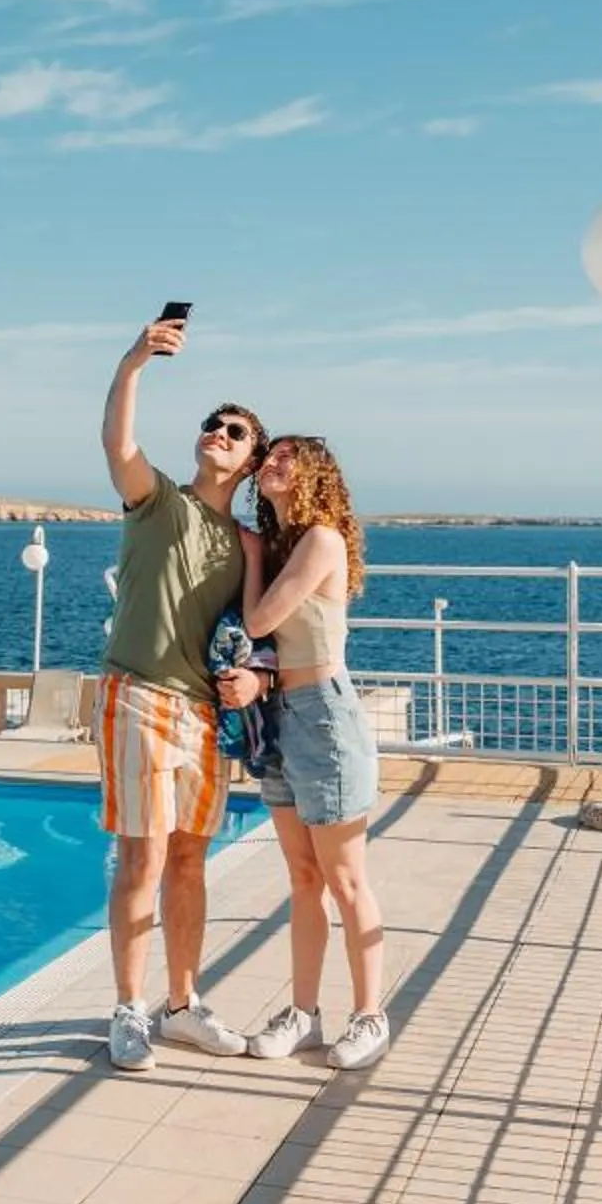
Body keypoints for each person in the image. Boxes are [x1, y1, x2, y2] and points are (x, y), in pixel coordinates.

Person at [97, 318, 266, 1070]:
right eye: (212, 424)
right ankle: (128, 1010)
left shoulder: (250, 545)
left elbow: (264, 625)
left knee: (192, 862)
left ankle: (181, 1005)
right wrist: (135, 360)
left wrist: (256, 675)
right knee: (142, 858)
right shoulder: (157, 500)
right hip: (137, 693)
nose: (217, 433)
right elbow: (117, 442)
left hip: (203, 713)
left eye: (234, 431)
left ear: (251, 459)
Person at [237, 434, 389, 1071]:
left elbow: (259, 622)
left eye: (284, 459)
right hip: (280, 712)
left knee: (346, 880)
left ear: (314, 476)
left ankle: (369, 1015)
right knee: (303, 880)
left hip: (324, 716)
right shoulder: (285, 545)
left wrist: (248, 561)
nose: (270, 465)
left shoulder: (320, 539)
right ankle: (303, 1013)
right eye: (267, 459)